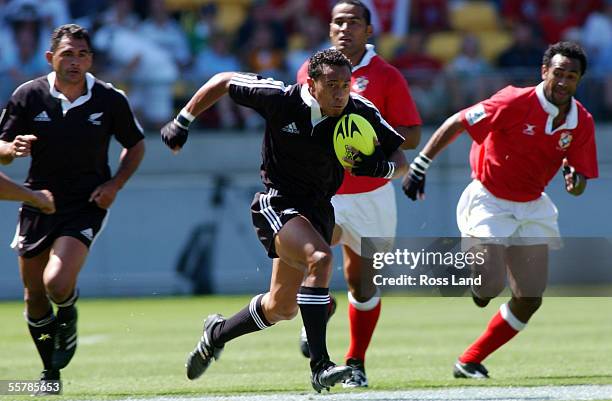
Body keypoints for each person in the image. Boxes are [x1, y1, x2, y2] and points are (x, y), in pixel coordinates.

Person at [160, 48, 408, 392]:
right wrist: (183, 120)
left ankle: (216, 334)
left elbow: (401, 154)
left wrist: (385, 168)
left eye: (346, 84)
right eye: (332, 84)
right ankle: (320, 366)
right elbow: (222, 80)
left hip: (320, 209)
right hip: (277, 203)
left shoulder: (359, 110)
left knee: (281, 307)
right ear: (312, 82)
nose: (340, 92)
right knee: (321, 259)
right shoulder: (280, 99)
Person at [402, 42, 598, 378]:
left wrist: (574, 181)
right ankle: (472, 271)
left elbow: (579, 184)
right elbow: (458, 121)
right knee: (489, 287)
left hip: (533, 205)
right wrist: (419, 166)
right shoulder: (513, 100)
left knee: (530, 298)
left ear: (579, 80)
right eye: (558, 73)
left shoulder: (582, 121)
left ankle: (470, 360)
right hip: (489, 198)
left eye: (572, 76)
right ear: (544, 72)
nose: (564, 81)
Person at [0, 23, 145, 392]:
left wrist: (115, 184)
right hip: (38, 202)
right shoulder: (28, 95)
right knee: (34, 295)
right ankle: (50, 374)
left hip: (85, 203)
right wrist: (11, 149)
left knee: (56, 282)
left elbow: (136, 145)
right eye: (67, 54)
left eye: (82, 55)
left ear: (91, 60)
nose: (75, 62)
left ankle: (68, 312)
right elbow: (1, 151)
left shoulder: (110, 99)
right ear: (50, 58)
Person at [295, 0, 421, 388]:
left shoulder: (387, 76)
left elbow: (411, 134)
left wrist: (374, 156)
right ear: (329, 28)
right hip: (324, 192)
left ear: (369, 31)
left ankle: (356, 361)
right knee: (310, 260)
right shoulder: (310, 70)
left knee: (362, 282)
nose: (344, 27)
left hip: (371, 195)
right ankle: (320, 314)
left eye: (353, 22)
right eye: (337, 21)